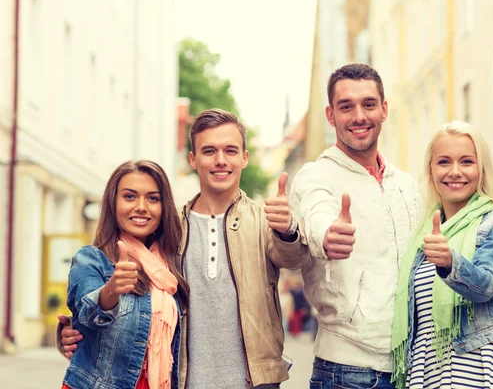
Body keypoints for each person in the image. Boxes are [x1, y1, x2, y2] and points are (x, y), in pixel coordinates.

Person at [59, 109, 309, 389]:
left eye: (230, 150)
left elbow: (294, 257)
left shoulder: (265, 221)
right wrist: (75, 330)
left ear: (245, 158)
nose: (220, 160)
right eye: (209, 151)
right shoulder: (168, 228)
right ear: (193, 159)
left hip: (254, 383)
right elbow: (122, 293)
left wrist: (287, 228)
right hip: (183, 380)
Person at [289, 64, 421, 388]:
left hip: (411, 368)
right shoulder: (316, 175)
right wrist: (326, 236)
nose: (359, 116)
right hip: (348, 373)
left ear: (384, 109)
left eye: (369, 104)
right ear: (331, 115)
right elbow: (316, 211)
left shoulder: (406, 184)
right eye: (346, 107)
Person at [390, 121, 493, 388]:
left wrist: (450, 262)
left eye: (466, 161)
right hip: (428, 373)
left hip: (482, 371)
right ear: (431, 172)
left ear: (481, 170)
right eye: (444, 162)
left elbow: (485, 284)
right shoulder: (421, 238)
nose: (455, 172)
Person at [60, 160, 189, 389]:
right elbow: (87, 314)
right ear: (113, 203)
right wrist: (112, 289)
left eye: (153, 198)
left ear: (164, 207)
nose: (141, 206)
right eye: (129, 196)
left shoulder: (173, 266)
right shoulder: (91, 259)